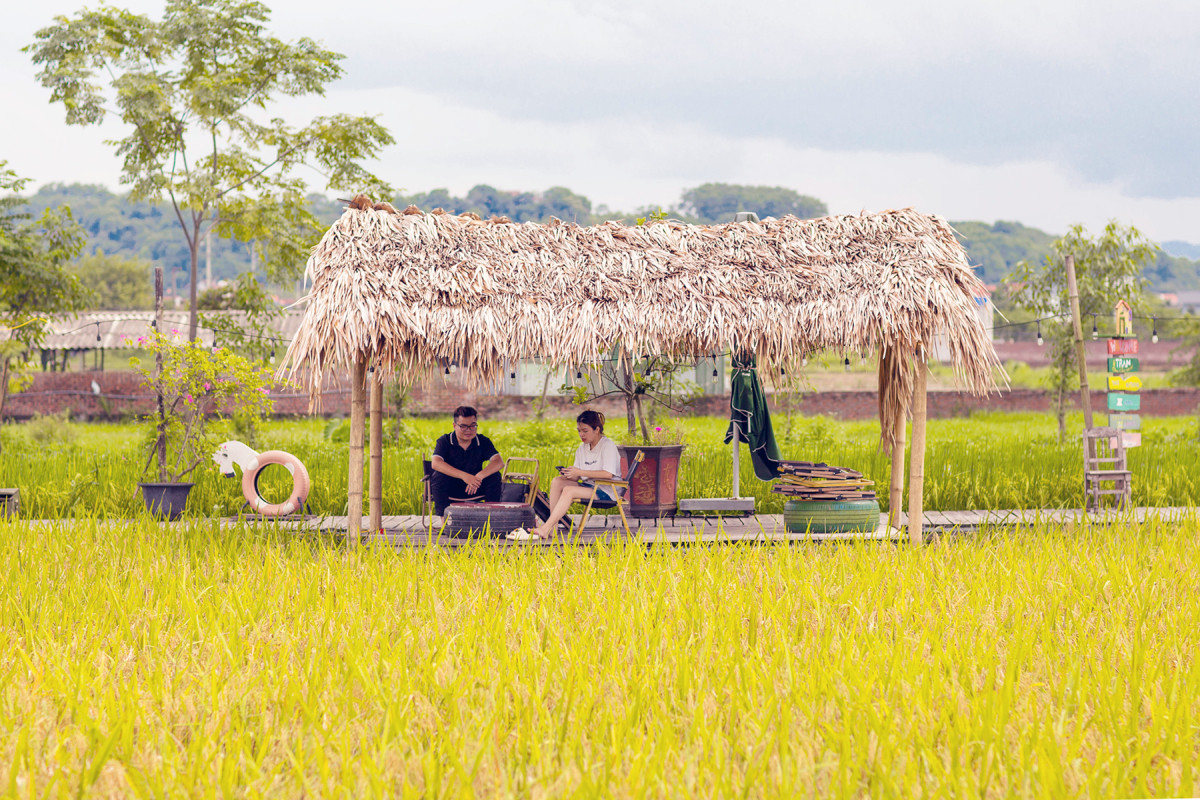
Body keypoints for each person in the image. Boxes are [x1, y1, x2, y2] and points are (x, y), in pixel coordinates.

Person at [509, 409, 620, 541]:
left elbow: (607, 474)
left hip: (607, 490)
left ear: (596, 430)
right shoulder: (582, 449)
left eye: (585, 431)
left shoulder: (607, 445)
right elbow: (578, 477)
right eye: (579, 430)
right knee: (557, 481)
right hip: (589, 486)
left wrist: (579, 472)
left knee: (569, 490)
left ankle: (545, 528)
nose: (581, 434)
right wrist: (569, 474)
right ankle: (553, 528)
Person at [430, 406, 504, 515]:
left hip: (475, 487)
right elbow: (436, 463)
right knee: (438, 476)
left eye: (473, 426)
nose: (469, 430)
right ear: (454, 426)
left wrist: (479, 476)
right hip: (451, 487)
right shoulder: (444, 441)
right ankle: (445, 521)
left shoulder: (483, 441)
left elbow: (498, 462)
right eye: (463, 426)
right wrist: (464, 476)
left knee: (495, 476)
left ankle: (491, 518)